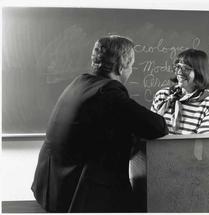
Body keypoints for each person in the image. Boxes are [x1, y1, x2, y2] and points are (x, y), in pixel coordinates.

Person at [31, 35, 168, 212]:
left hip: (51, 188)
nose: (131, 71)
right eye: (131, 66)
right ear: (120, 66)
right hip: (77, 197)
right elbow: (158, 127)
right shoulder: (109, 91)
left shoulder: (80, 82)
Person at [151, 49, 209, 134]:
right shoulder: (162, 96)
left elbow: (206, 144)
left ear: (199, 73)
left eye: (186, 68)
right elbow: (149, 132)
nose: (179, 72)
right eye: (178, 66)